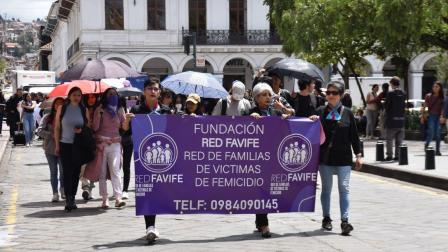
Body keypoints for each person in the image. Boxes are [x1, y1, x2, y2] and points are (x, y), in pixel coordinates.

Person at [123, 78, 173, 244]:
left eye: (156, 89)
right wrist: (126, 121)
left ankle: (154, 222)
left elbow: (179, 130)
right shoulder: (137, 110)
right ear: (144, 92)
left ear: (159, 93)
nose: (153, 91)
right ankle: (150, 226)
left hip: (165, 159)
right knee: (147, 191)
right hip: (143, 158)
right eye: (150, 89)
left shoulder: (166, 111)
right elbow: (125, 132)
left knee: (160, 190)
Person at [311, 81, 362, 236]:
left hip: (344, 158)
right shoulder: (319, 112)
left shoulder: (347, 113)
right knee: (326, 189)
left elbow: (354, 136)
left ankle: (345, 221)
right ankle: (326, 218)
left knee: (344, 188)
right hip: (325, 158)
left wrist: (359, 155)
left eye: (334, 93)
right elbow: (308, 131)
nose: (331, 96)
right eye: (329, 93)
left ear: (341, 95)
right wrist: (310, 121)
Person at [249, 82, 291, 238]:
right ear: (256, 98)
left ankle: (259, 221)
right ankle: (264, 224)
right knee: (261, 190)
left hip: (273, 157)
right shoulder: (251, 111)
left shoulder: (275, 112)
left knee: (266, 191)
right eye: (263, 95)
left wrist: (285, 111)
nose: (267, 97)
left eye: (269, 94)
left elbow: (291, 115)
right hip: (257, 159)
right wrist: (250, 118)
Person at [88, 88, 127, 208]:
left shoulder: (120, 109)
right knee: (102, 172)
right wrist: (98, 116)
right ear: (105, 96)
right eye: (110, 94)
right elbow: (94, 128)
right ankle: (104, 199)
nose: (112, 96)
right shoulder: (99, 109)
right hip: (101, 144)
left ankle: (118, 198)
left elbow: (124, 127)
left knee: (115, 170)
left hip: (115, 143)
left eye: (114, 94)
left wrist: (128, 119)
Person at [54, 87, 89, 212]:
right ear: (69, 96)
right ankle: (68, 197)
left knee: (75, 173)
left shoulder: (84, 109)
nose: (76, 97)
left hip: (78, 145)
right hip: (65, 144)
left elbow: (88, 127)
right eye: (74, 95)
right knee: (67, 172)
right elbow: (57, 128)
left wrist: (82, 130)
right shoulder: (62, 108)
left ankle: (72, 197)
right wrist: (57, 145)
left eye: (79, 95)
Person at [37, 97, 65, 202]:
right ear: (54, 106)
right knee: (53, 171)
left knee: (63, 171)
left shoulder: (66, 118)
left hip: (63, 148)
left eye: (61, 104)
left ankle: (62, 189)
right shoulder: (47, 117)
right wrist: (51, 134)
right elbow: (39, 131)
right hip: (50, 149)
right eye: (57, 104)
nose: (59, 106)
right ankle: (55, 193)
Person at [80, 93, 98, 201]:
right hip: (84, 140)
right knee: (83, 166)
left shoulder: (99, 109)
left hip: (97, 140)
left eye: (94, 97)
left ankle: (89, 190)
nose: (91, 99)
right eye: (89, 97)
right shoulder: (82, 109)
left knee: (93, 166)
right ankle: (85, 186)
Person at [385, 77, 406, 161]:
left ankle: (389, 155)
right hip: (401, 120)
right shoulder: (403, 93)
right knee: (399, 140)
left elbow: (387, 106)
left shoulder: (390, 93)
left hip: (392, 120)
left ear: (392, 83)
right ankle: (397, 156)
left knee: (389, 139)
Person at [422, 81, 444, 155]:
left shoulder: (442, 97)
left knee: (438, 133)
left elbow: (443, 108)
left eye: (436, 87)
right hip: (431, 116)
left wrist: (442, 116)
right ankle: (427, 144)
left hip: (439, 117)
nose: (435, 88)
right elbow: (424, 107)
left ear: (440, 88)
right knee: (431, 132)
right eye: (434, 86)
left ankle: (437, 150)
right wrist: (423, 116)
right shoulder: (428, 96)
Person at [119, 96, 132, 200]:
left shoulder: (127, 111)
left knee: (126, 165)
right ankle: (122, 189)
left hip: (128, 140)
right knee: (122, 165)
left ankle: (125, 189)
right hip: (118, 139)